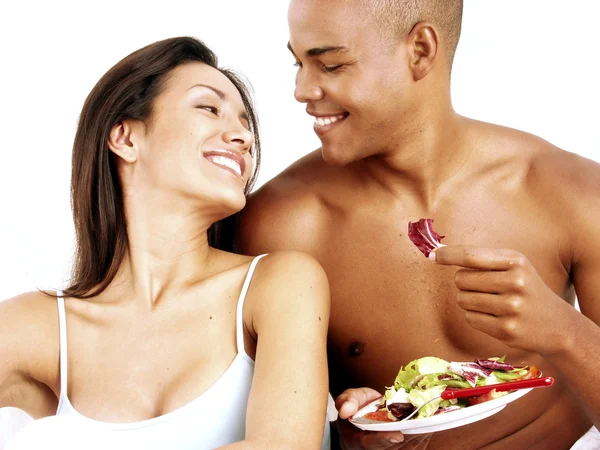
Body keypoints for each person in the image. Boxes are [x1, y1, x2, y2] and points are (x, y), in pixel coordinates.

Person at [239, 0, 600, 449]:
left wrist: (564, 330)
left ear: (421, 50)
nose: (302, 89)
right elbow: (270, 427)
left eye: (330, 64)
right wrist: (353, 432)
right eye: (299, 62)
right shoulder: (278, 226)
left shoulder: (567, 190)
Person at [0, 36, 331, 450]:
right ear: (125, 137)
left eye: (246, 125)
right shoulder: (38, 327)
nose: (243, 138)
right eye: (209, 108)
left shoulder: (279, 284)